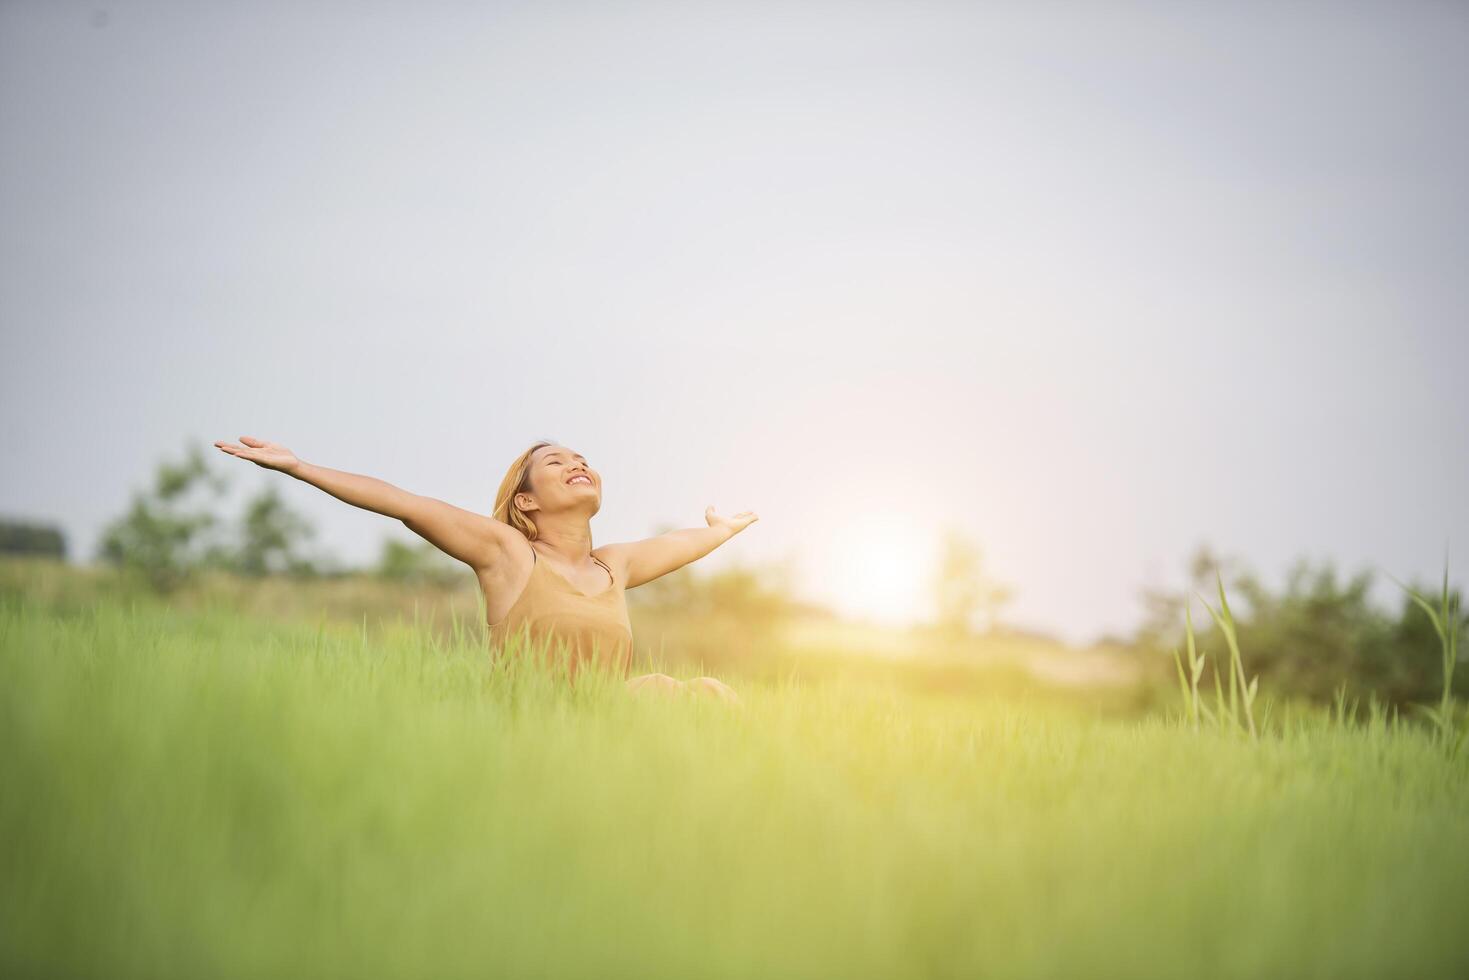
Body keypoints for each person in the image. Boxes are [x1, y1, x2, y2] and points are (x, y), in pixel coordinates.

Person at [212, 436, 756, 701]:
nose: (577, 464)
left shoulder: (613, 565)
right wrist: (301, 467)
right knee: (666, 691)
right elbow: (403, 502)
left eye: (581, 459)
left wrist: (719, 531)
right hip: (534, 732)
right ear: (526, 503)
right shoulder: (508, 554)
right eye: (555, 462)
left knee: (711, 693)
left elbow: (679, 544)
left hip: (606, 729)